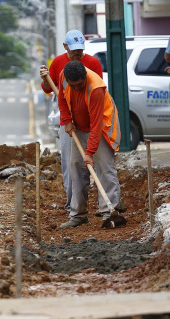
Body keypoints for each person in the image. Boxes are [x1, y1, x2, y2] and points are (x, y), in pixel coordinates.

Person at [40, 30, 104, 214]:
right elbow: (49, 89)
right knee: (70, 165)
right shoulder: (58, 63)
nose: (78, 53)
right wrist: (45, 78)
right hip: (68, 121)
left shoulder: (92, 63)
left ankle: (105, 206)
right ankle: (73, 206)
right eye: (74, 49)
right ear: (65, 46)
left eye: (80, 49)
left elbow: (98, 91)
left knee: (100, 163)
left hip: (90, 120)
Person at [57, 61, 123, 229]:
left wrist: (89, 153)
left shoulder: (95, 89)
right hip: (79, 127)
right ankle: (78, 215)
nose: (76, 88)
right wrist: (67, 120)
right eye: (73, 85)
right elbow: (62, 99)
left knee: (105, 169)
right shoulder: (63, 76)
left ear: (84, 77)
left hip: (101, 127)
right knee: (76, 167)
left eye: (79, 84)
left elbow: (96, 124)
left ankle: (110, 212)